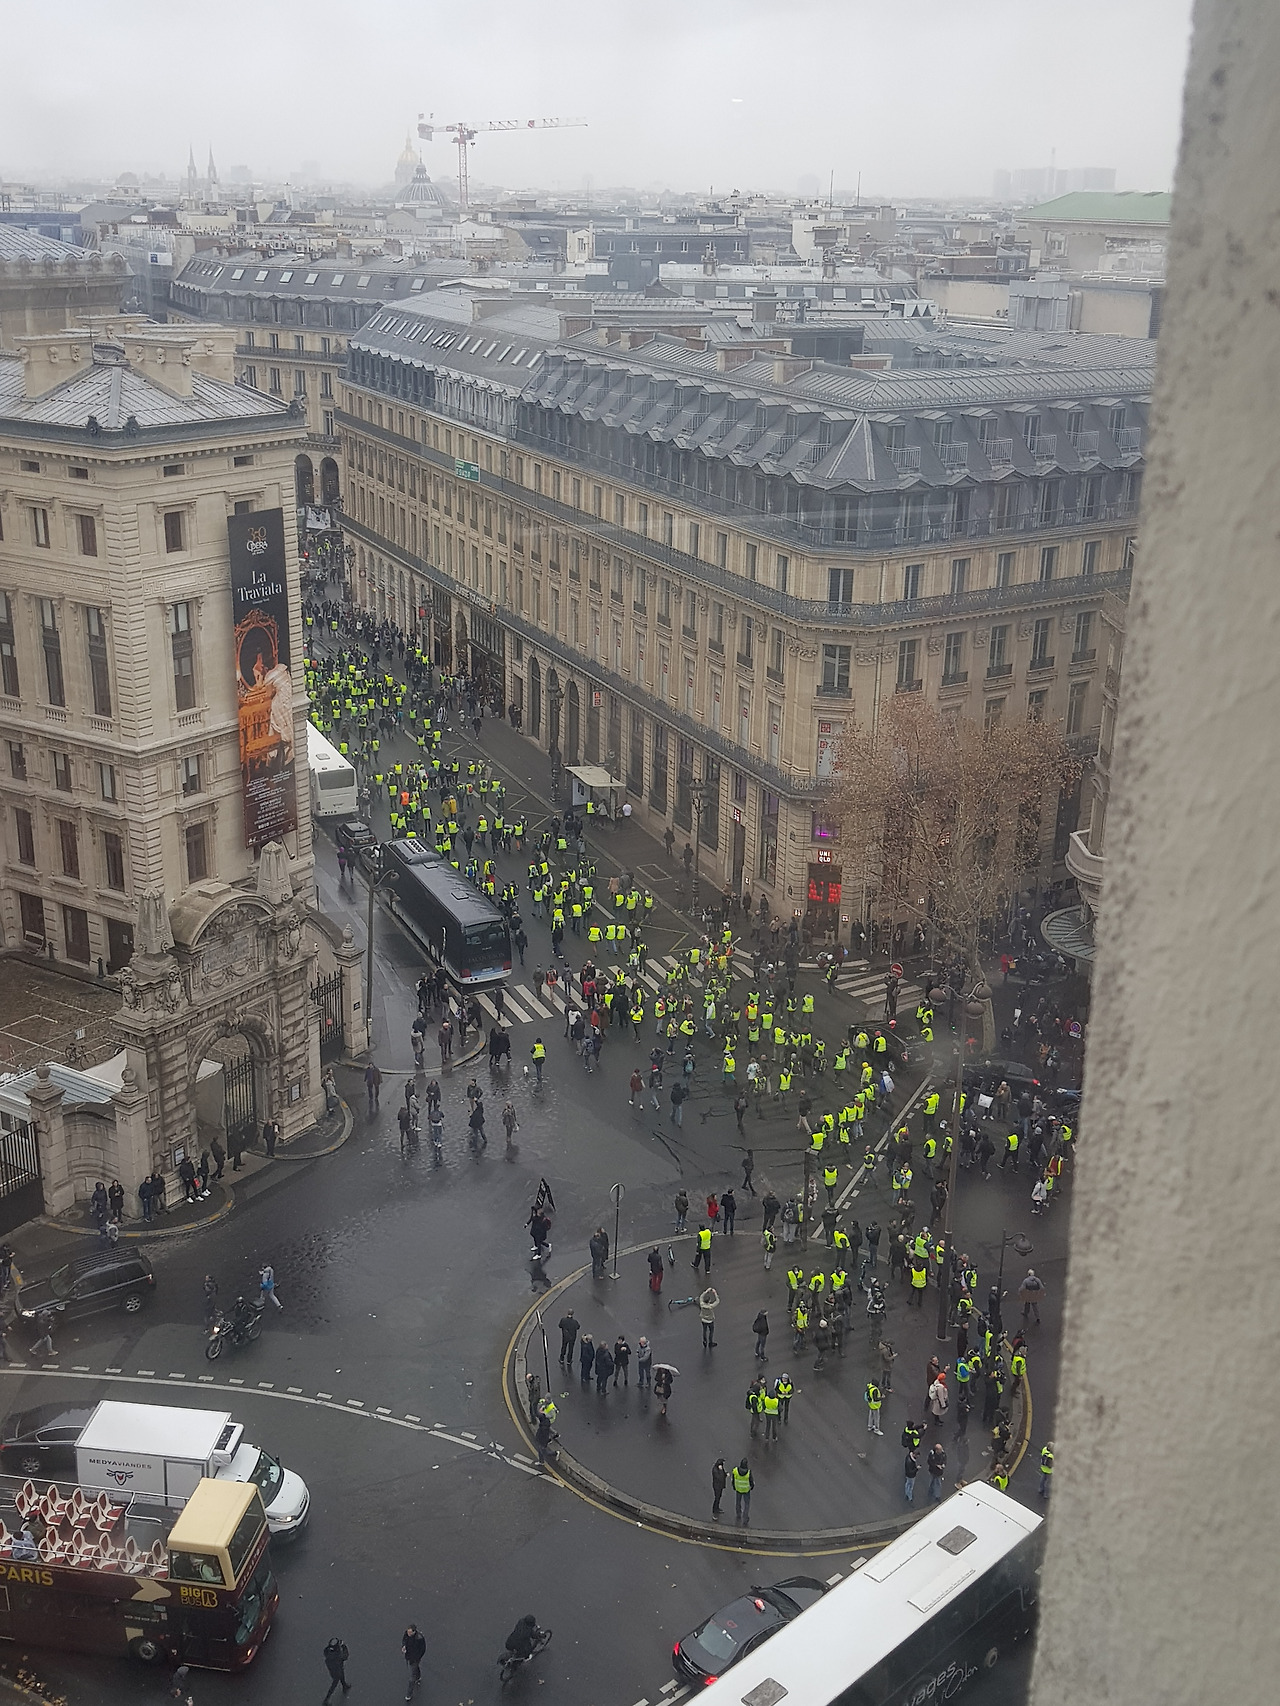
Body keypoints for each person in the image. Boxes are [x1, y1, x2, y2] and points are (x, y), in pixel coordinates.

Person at [402, 1624, 426, 1700]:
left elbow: (423, 1649)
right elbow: (404, 1640)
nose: (408, 1634)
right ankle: (418, 1676)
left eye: (410, 1632)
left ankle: (409, 1694)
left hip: (415, 1659)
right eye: (408, 1632)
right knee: (415, 1668)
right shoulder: (406, 1634)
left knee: (412, 1677)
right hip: (409, 1656)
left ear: (414, 1632)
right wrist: (403, 1646)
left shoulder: (419, 1638)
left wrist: (417, 1658)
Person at [732, 1458, 753, 1524]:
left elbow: (733, 1480)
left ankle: (738, 1514)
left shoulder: (735, 1470)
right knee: (746, 1504)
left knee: (738, 1502)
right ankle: (745, 1517)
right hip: (746, 1490)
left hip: (738, 1489)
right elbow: (751, 1481)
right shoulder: (748, 1472)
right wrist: (752, 1487)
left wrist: (734, 1487)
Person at [699, 1285, 720, 1349]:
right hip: (710, 1321)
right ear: (709, 1301)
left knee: (704, 1331)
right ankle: (710, 1343)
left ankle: (704, 1341)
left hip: (703, 1320)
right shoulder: (710, 1307)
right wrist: (715, 1293)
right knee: (711, 1331)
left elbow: (701, 1297)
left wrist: (706, 1291)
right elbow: (717, 1301)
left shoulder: (702, 1304)